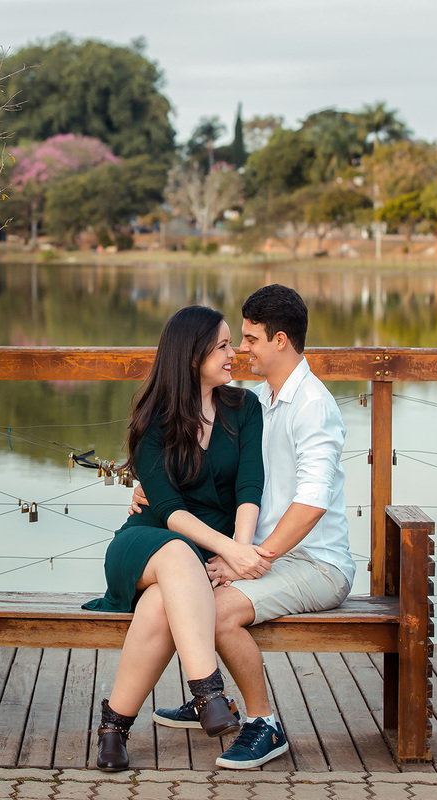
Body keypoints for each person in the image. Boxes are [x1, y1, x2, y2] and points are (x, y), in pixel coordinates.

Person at [141, 284, 356, 770]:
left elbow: (312, 503)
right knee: (181, 588)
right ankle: (212, 698)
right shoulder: (257, 401)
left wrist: (249, 561)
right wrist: (149, 488)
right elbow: (217, 471)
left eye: (251, 339)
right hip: (261, 555)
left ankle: (264, 724)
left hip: (316, 564)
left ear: (281, 341)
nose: (241, 349)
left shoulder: (313, 406)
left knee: (215, 612)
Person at [82, 305, 275, 772]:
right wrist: (231, 550)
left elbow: (250, 486)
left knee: (160, 606)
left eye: (231, 344)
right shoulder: (153, 420)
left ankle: (113, 728)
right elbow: (168, 511)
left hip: (205, 551)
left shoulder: (243, 407)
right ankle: (208, 692)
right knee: (175, 555)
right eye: (222, 346)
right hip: (147, 542)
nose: (233, 354)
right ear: (191, 356)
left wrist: (238, 551)